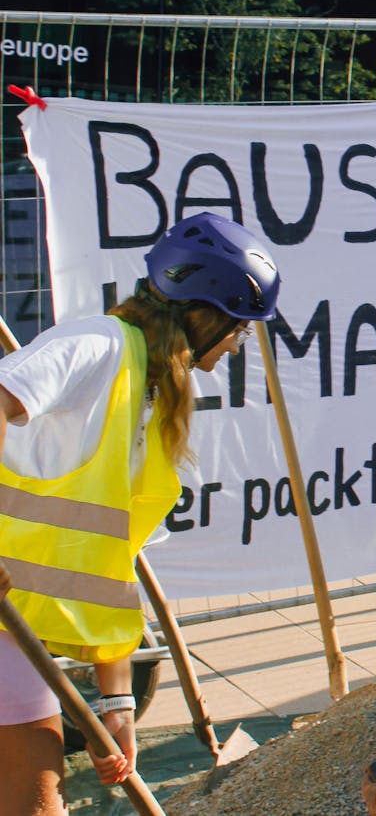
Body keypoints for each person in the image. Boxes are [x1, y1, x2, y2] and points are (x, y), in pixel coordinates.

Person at [0, 215, 280, 816]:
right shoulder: (97, 346)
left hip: (15, 630)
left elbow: (108, 563)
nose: (241, 343)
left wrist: (117, 703)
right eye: (240, 327)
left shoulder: (150, 395)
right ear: (205, 316)